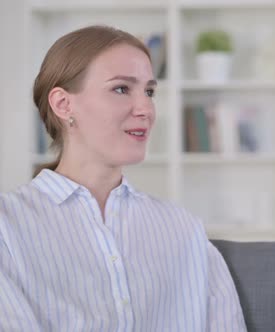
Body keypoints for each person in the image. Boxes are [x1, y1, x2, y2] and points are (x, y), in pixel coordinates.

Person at [0, 25, 246, 331]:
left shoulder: (184, 230)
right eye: (121, 88)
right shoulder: (7, 227)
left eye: (150, 91)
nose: (146, 108)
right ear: (63, 104)